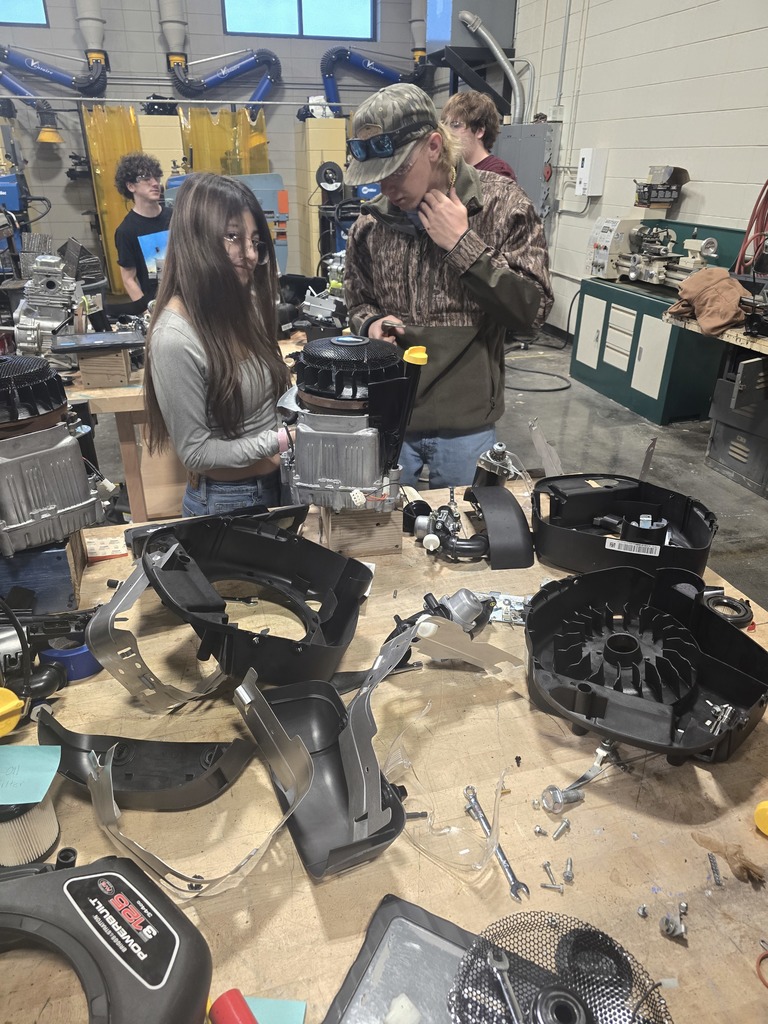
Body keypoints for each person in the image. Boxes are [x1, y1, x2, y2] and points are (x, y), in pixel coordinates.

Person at [343, 82, 553, 488]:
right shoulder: (371, 223)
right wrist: (370, 324)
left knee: (466, 523)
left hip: (466, 427)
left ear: (434, 146)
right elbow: (358, 300)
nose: (386, 189)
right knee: (384, 524)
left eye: (396, 171)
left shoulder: (501, 206)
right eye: (377, 177)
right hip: (392, 414)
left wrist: (464, 247)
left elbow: (534, 313)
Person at [143, 172, 291, 516]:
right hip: (227, 503)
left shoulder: (243, 305)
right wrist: (282, 440)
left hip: (275, 486)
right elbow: (196, 453)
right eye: (232, 236)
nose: (250, 253)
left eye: (255, 241)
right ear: (196, 239)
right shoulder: (174, 338)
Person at [114, 152, 172, 312]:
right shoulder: (126, 231)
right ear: (131, 186)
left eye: (157, 178)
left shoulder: (176, 216)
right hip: (159, 306)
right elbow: (128, 279)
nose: (155, 183)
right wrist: (148, 312)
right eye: (146, 178)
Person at [440, 90, 517, 181]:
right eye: (445, 126)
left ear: (479, 131)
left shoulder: (497, 174)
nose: (447, 132)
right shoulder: (454, 170)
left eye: (455, 125)